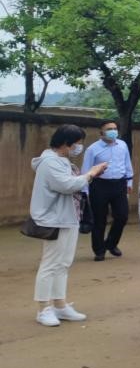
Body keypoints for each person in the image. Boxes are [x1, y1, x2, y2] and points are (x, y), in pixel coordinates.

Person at [30, 125, 109, 326]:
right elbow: (67, 185)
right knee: (50, 264)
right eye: (77, 143)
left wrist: (89, 175)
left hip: (68, 217)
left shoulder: (62, 161)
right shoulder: (50, 162)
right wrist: (91, 173)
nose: (79, 147)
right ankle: (43, 309)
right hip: (54, 219)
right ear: (66, 143)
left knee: (63, 263)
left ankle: (60, 305)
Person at [82, 119, 133, 260]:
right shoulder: (92, 149)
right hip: (99, 185)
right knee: (99, 219)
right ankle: (99, 250)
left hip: (119, 184)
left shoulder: (122, 145)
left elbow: (127, 164)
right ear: (101, 133)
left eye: (115, 129)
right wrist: (85, 191)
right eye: (109, 129)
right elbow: (86, 170)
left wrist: (129, 182)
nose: (113, 131)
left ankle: (111, 243)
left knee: (122, 216)